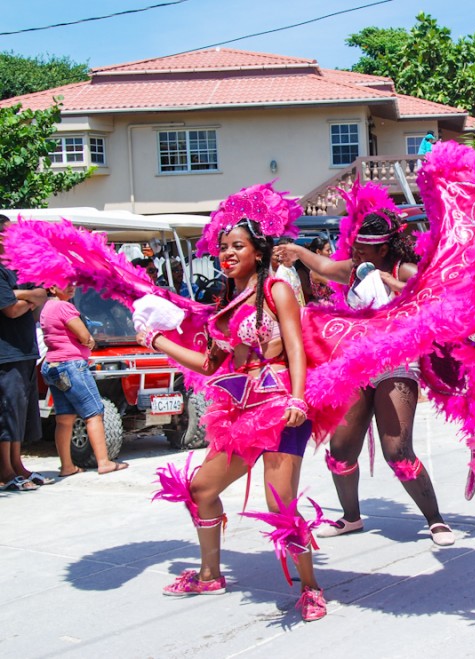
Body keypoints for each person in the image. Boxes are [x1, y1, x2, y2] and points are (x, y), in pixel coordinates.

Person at [139, 183, 327, 622]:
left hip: (282, 407)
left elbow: (296, 347)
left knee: (280, 505)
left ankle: (312, 588)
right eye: (223, 246)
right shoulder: (223, 306)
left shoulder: (275, 290)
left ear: (257, 252)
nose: (227, 253)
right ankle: (210, 574)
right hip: (240, 412)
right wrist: (158, 340)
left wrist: (299, 396)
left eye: (237, 245)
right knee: (202, 489)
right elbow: (208, 364)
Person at [277, 210, 455, 546]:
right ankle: (351, 518)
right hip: (358, 366)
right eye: (354, 248)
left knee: (397, 451)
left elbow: (439, 300)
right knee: (340, 450)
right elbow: (325, 267)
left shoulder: (406, 271)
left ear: (384, 250)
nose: (356, 254)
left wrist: (395, 285)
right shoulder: (354, 269)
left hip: (397, 366)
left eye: (364, 250)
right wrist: (297, 252)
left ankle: (435, 520)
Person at [39, 283, 128, 476]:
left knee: (64, 418)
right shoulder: (65, 306)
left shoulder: (46, 308)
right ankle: (104, 462)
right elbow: (84, 336)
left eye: (72, 283)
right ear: (52, 288)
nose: (71, 287)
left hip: (53, 364)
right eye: (65, 284)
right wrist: (90, 341)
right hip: (72, 365)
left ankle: (67, 466)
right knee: (94, 413)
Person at [0, 215, 50, 491]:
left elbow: (41, 295)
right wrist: (28, 298)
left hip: (25, 349)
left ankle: (17, 463)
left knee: (20, 411)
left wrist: (24, 296)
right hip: (5, 352)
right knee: (6, 411)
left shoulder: (18, 269)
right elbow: (11, 309)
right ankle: (5, 471)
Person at [272, 237, 305, 306]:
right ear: (282, 253)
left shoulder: (292, 268)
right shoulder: (282, 274)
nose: (296, 252)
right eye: (292, 250)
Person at [306, 237, 334, 304]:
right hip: (324, 308)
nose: (330, 253)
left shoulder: (324, 268)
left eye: (331, 250)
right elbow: (334, 285)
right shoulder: (316, 271)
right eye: (328, 250)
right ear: (318, 251)